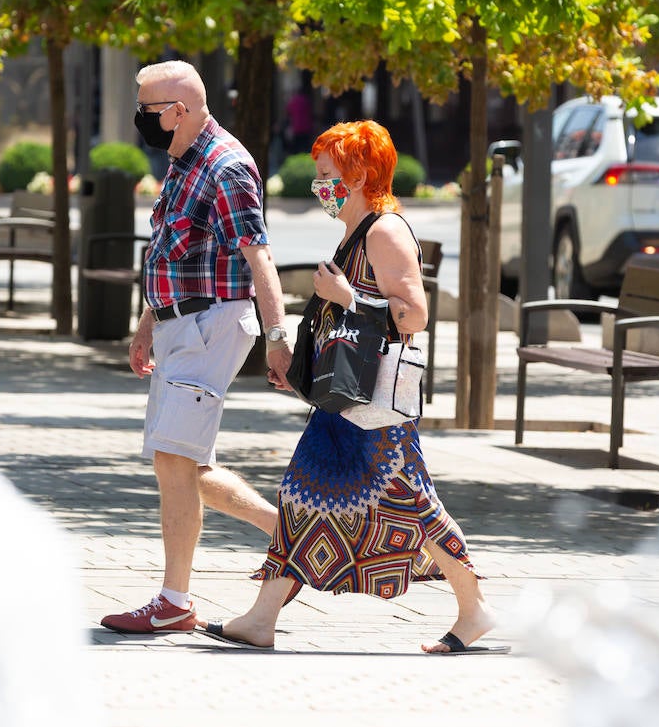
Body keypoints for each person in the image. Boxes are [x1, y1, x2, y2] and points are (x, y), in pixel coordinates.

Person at [198, 120, 502, 654]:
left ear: (360, 175)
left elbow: (414, 317)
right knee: (300, 495)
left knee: (415, 506)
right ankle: (262, 618)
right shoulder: (356, 230)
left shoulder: (385, 231)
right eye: (319, 175)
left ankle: (474, 609)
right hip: (349, 403)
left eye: (328, 175)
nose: (320, 186)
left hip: (379, 406)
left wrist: (346, 297)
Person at [100, 60, 295, 634]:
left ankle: (175, 600)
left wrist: (280, 337)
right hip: (179, 325)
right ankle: (294, 535)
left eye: (147, 109)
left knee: (173, 459)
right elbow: (168, 251)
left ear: (178, 110)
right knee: (185, 464)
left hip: (211, 325)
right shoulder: (183, 159)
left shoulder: (227, 167)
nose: (141, 118)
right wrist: (146, 325)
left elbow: (260, 257)